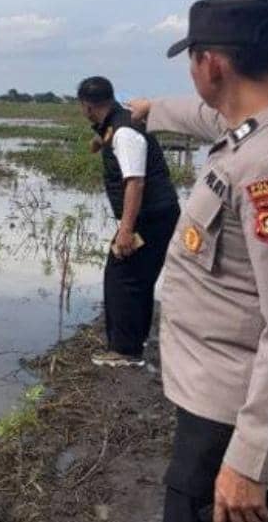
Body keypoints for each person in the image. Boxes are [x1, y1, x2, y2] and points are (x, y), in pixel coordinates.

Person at [128, 0, 268, 522]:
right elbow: (205, 117)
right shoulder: (251, 129)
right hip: (218, 400)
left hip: (232, 412)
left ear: (211, 63)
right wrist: (148, 111)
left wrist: (249, 463)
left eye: (192, 61)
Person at [77, 76, 180, 368]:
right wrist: (99, 142)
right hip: (158, 214)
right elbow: (108, 131)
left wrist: (126, 229)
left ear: (86, 106)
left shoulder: (124, 133)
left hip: (149, 216)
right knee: (139, 277)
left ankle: (124, 351)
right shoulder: (119, 120)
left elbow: (135, 183)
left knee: (122, 277)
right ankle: (135, 340)